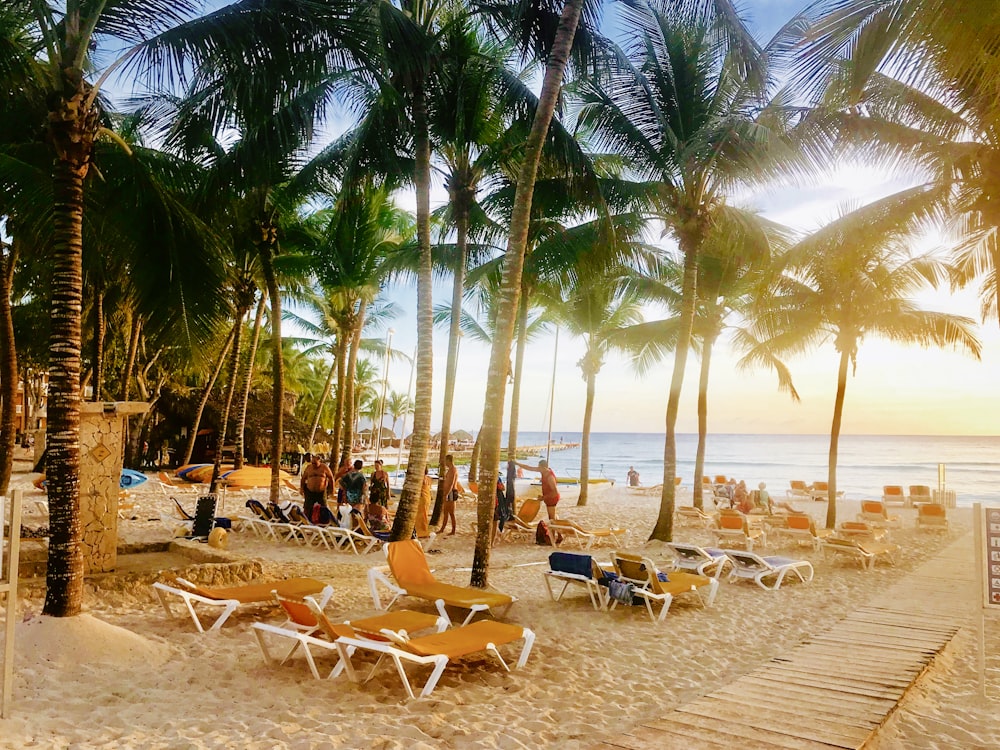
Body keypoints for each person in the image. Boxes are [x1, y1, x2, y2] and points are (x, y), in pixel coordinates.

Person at [300, 453, 335, 521]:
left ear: (319, 461)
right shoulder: (309, 468)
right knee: (307, 508)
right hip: (310, 491)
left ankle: (324, 522)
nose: (313, 464)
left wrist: (332, 489)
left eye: (315, 463)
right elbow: (303, 478)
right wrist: (301, 488)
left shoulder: (325, 468)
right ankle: (305, 521)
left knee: (324, 507)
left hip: (321, 491)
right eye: (312, 463)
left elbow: (331, 478)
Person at [437, 454, 459, 536]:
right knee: (445, 511)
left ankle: (453, 530)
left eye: (446, 461)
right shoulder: (450, 470)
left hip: (451, 492)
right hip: (449, 492)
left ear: (449, 461)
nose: (445, 463)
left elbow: (451, 483)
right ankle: (442, 528)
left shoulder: (453, 470)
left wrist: (446, 494)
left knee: (451, 512)